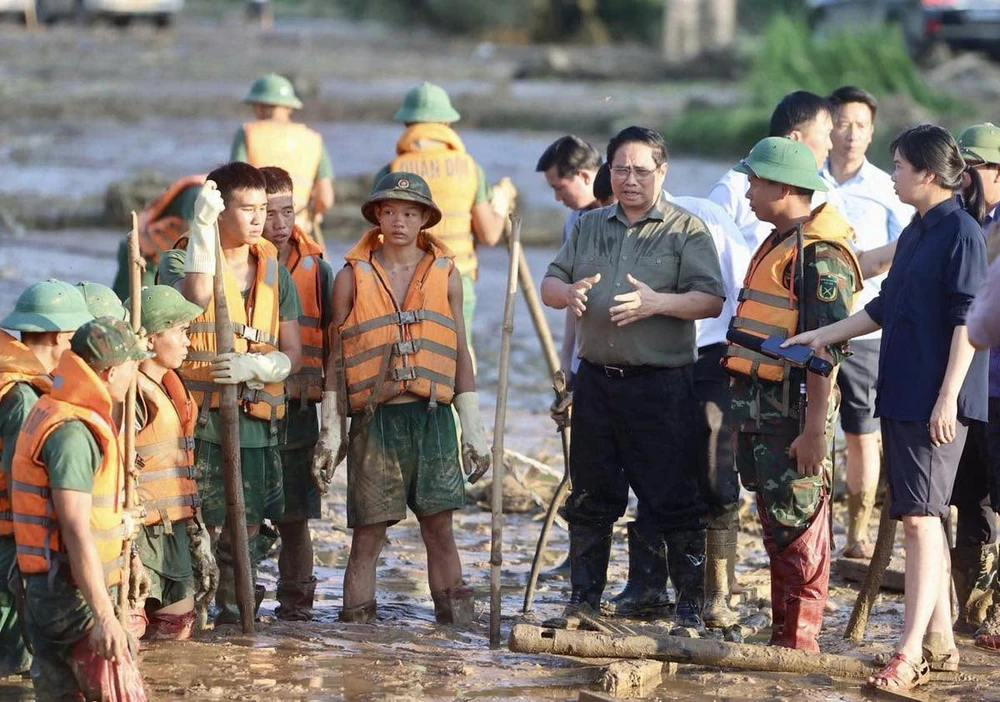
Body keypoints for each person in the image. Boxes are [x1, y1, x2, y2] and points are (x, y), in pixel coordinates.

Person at [786, 125, 988, 690]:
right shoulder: (918, 229)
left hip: (935, 399)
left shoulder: (961, 233)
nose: (892, 173)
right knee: (922, 516)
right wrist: (822, 335)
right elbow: (882, 307)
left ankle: (908, 652)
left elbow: (966, 323)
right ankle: (942, 641)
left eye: (899, 165)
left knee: (922, 520)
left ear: (927, 173)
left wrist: (948, 396)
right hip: (900, 391)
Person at [540, 126, 726, 628]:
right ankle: (583, 601)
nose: (629, 179)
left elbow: (710, 298)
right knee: (591, 496)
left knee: (672, 497)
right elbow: (549, 284)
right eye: (620, 169)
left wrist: (657, 303)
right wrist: (570, 291)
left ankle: (688, 604)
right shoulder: (589, 225)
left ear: (662, 173)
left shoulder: (685, 230)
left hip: (661, 385)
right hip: (597, 381)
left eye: (641, 170)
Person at [584, 162, 751, 625]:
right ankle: (647, 587)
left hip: (713, 354)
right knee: (653, 469)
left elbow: (735, 290)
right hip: (651, 365)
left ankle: (716, 593)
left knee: (714, 474)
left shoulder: (702, 221)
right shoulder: (605, 231)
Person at [332, 172, 490, 624]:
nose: (398, 220)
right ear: (377, 216)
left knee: (440, 528)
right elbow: (335, 358)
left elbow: (459, 348)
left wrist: (472, 426)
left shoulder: (447, 276)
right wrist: (332, 427)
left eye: (409, 212)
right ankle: (356, 632)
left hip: (434, 418)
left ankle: (455, 627)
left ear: (424, 219)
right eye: (390, 211)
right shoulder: (351, 277)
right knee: (367, 535)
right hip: (374, 420)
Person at [724, 137, 863, 651]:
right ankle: (785, 634)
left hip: (792, 419)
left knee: (799, 530)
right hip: (762, 413)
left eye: (755, 181)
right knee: (776, 526)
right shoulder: (782, 239)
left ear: (783, 187)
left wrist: (812, 434)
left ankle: (800, 645)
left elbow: (824, 355)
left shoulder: (820, 257)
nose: (748, 190)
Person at [157, 161, 304, 624]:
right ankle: (196, 617)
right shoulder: (180, 257)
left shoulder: (273, 269)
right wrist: (200, 227)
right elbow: (195, 297)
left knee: (248, 528)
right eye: (246, 209)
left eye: (263, 208)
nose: (259, 219)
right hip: (200, 420)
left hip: (255, 420)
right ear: (219, 209)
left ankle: (240, 614)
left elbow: (293, 352)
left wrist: (261, 364)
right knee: (200, 525)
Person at [11, 317, 151, 700]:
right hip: (69, 595)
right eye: (131, 365)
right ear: (108, 372)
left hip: (47, 586)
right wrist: (105, 617)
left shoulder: (56, 405)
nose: (135, 373)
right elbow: (76, 528)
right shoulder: (73, 433)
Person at [822, 86, 914, 559]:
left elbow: (908, 246)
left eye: (861, 125)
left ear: (872, 132)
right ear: (827, 125)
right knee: (811, 428)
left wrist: (861, 264)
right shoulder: (808, 180)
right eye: (843, 123)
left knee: (861, 432)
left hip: (866, 327)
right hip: (812, 324)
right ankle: (817, 531)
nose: (852, 134)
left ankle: (857, 534)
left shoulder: (888, 188)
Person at [376, 82, 517, 352]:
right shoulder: (469, 168)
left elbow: (375, 236)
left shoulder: (391, 172)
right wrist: (500, 202)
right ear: (446, 124)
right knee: (459, 354)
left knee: (407, 356)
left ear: (408, 123)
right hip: (458, 277)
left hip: (402, 281)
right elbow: (489, 235)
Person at [0, 279, 92, 678]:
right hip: (9, 543)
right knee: (13, 661)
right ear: (61, 337)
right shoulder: (21, 397)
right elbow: (19, 481)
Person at [259, 166, 335, 621]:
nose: (281, 223)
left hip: (298, 408)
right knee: (239, 515)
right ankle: (237, 601)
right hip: (249, 407)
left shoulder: (318, 270)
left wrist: (334, 428)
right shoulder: (239, 264)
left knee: (294, 518)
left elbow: (335, 344)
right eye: (270, 214)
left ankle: (296, 607)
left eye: (288, 211)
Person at [129, 285, 216, 641]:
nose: (188, 342)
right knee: (131, 628)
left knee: (177, 632)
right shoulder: (130, 393)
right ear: (150, 339)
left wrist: (198, 532)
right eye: (180, 331)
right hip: (142, 531)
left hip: (175, 528)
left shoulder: (170, 385)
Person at [951, 123, 1000, 644]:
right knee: (970, 497)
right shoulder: (957, 222)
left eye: (977, 168)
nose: (967, 177)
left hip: (998, 382)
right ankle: (973, 610)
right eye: (962, 167)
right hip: (967, 385)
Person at [708, 91, 834, 252]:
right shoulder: (732, 189)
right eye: (826, 134)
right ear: (795, 139)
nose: (830, 145)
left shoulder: (826, 190)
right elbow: (707, 252)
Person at [233, 74, 334, 240]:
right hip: (299, 232)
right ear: (289, 107)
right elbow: (326, 198)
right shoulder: (313, 139)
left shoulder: (248, 133)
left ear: (259, 105)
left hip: (260, 232)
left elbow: (237, 188)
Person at [535, 135, 603, 383]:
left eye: (559, 187)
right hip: (582, 358)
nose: (557, 198)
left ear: (584, 176)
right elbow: (572, 295)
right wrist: (565, 358)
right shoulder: (574, 221)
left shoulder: (628, 214)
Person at [111, 175, 206, 300]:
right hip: (141, 252)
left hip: (160, 254)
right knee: (130, 306)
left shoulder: (211, 194)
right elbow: (195, 240)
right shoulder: (198, 195)